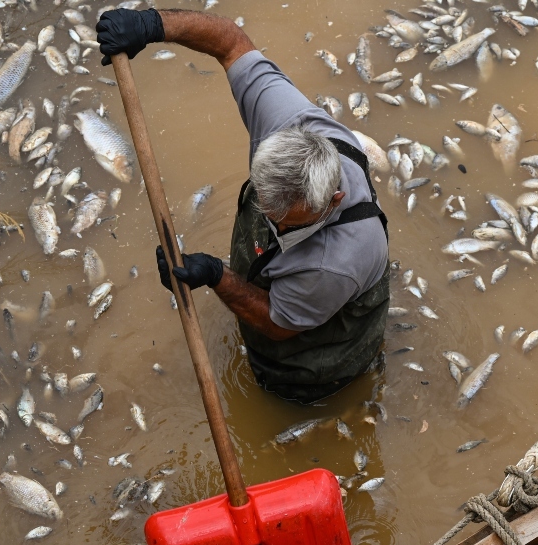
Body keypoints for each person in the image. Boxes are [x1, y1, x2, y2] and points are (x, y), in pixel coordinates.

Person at [98, 8, 390, 403]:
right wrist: (151, 26)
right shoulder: (287, 121)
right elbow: (231, 43)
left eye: (288, 224)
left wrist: (216, 275)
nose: (273, 227)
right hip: (304, 290)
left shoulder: (337, 260)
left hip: (317, 357)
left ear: (333, 201)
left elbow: (277, 323)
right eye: (267, 212)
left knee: (298, 390)